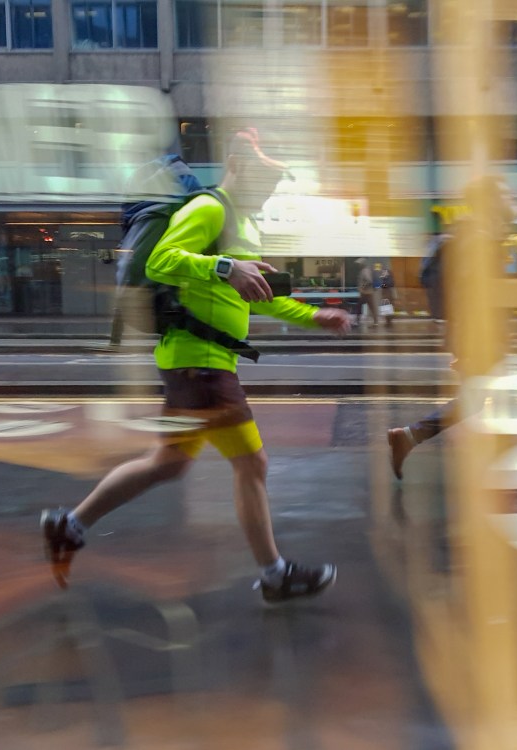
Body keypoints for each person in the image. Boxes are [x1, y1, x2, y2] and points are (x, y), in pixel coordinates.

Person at [40, 129, 353, 601]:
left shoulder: (243, 224)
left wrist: (313, 316)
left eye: (275, 183)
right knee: (251, 464)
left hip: (198, 361)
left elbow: (259, 296)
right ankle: (274, 574)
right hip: (201, 363)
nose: (269, 190)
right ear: (236, 165)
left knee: (167, 463)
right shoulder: (209, 209)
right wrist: (225, 267)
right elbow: (160, 261)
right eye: (264, 179)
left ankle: (69, 524)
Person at [387, 176, 517, 480]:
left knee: (478, 400)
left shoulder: (478, 233)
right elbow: (472, 293)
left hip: (475, 334)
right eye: (505, 194)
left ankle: (409, 436)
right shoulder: (478, 237)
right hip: (479, 335)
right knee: (503, 398)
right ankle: (504, 469)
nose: (511, 199)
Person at [356, 257, 379, 326]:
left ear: (362, 264)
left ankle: (358, 320)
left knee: (360, 306)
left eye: (359, 264)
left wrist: (363, 287)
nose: (358, 265)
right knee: (369, 307)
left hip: (366, 293)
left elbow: (369, 281)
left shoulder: (365, 271)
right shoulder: (365, 270)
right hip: (367, 292)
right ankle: (375, 322)